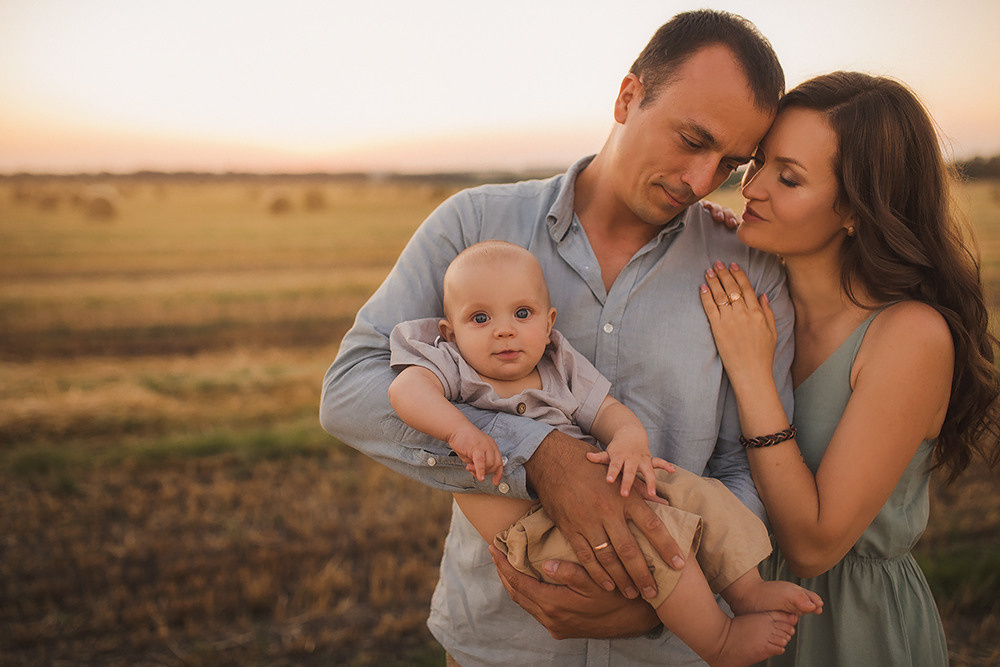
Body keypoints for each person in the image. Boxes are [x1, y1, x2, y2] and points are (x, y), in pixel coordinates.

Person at [321, 9, 793, 664]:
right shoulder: (475, 223)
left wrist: (657, 597)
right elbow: (352, 390)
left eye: (730, 164)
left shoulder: (748, 267)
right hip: (498, 649)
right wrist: (537, 452)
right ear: (629, 96)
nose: (699, 180)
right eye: (691, 139)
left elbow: (752, 468)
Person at [389, 240, 821, 666]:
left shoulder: (558, 365)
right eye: (480, 318)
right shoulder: (455, 367)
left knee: (699, 493)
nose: (505, 330)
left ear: (548, 321)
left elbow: (608, 411)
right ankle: (719, 641)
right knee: (657, 536)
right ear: (450, 332)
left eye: (523, 314)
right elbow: (405, 389)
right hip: (537, 528)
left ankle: (744, 590)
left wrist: (629, 440)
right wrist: (461, 431)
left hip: (606, 490)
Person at [697, 71, 1000, 665]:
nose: (751, 187)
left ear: (860, 211)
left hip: (847, 629)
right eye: (758, 163)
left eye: (788, 177)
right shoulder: (751, 294)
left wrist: (755, 376)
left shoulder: (909, 336)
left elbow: (813, 546)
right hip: (734, 615)